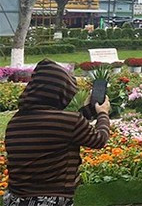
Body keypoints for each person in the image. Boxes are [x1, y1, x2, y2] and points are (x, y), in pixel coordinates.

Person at [5, 60, 111, 206]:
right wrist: (103, 114)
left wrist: (87, 112)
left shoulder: (15, 122)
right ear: (60, 93)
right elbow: (99, 140)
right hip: (51, 200)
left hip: (15, 198)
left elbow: (56, 131)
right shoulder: (69, 122)